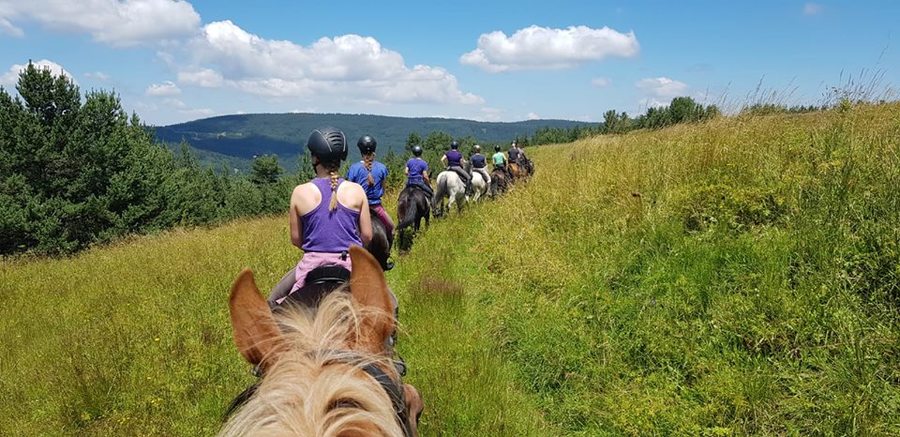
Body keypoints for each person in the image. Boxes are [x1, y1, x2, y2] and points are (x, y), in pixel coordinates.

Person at [268, 127, 372, 307]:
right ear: (341, 158)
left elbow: (295, 239)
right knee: (387, 302)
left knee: (271, 303)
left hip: (311, 265)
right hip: (349, 265)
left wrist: (319, 248)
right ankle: (390, 336)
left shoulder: (300, 192)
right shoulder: (357, 190)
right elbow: (368, 236)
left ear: (315, 158)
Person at [346, 135, 394, 238]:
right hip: (376, 207)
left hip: (358, 208)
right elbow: (383, 188)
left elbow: (349, 190)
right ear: (374, 151)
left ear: (361, 151)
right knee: (392, 228)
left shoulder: (354, 168)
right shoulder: (382, 168)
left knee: (345, 231)